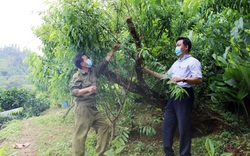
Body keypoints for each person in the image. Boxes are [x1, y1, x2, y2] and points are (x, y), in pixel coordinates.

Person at [142, 37, 202, 156]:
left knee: (183, 126)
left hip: (184, 94)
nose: (176, 47)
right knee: (167, 124)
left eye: (179, 45)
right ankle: (167, 153)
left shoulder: (193, 61)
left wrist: (182, 79)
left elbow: (199, 79)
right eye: (176, 45)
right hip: (173, 96)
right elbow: (166, 76)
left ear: (186, 47)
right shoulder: (176, 63)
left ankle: (185, 154)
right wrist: (148, 71)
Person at [69, 43, 120, 156]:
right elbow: (73, 92)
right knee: (80, 136)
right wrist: (88, 89)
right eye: (86, 58)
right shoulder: (77, 76)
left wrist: (112, 51)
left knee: (103, 127)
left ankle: (100, 153)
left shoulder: (92, 71)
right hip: (83, 109)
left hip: (92, 108)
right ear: (82, 63)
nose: (89, 59)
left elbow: (103, 64)